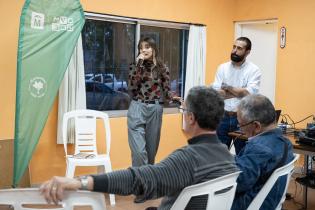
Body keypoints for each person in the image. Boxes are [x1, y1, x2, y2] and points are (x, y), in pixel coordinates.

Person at [40, 86, 238, 210]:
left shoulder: (188, 159)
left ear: (191, 117)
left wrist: (80, 182)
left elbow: (139, 179)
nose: (183, 114)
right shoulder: (228, 157)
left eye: (183, 109)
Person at [231, 94, 294, 210]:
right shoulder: (286, 143)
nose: (240, 128)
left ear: (256, 126)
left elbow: (237, 183)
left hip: (252, 204)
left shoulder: (258, 148)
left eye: (240, 124)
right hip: (272, 201)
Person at [127, 37, 179, 171]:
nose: (143, 50)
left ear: (154, 49)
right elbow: (132, 87)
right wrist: (139, 64)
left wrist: (176, 99)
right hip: (137, 107)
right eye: (141, 47)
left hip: (155, 109)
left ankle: (144, 185)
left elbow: (166, 91)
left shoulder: (162, 67)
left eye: (147, 47)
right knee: (139, 152)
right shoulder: (135, 65)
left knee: (151, 153)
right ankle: (143, 184)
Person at [212, 36, 262, 154]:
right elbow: (217, 94)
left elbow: (248, 94)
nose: (234, 50)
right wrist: (239, 92)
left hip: (243, 119)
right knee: (219, 155)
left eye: (239, 48)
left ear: (247, 52)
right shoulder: (222, 68)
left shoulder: (254, 70)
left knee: (243, 154)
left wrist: (228, 87)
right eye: (234, 47)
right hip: (222, 117)